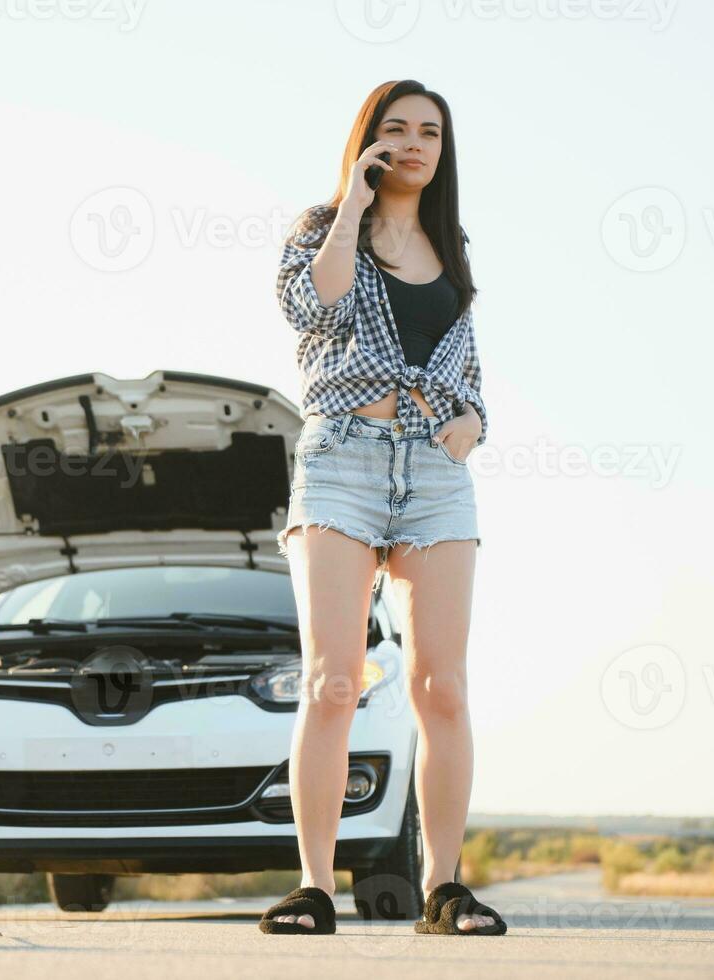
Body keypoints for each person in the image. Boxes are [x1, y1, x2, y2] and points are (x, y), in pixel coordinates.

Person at [258, 80, 506, 937]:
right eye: (394, 129)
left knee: (442, 686)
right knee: (333, 681)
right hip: (341, 465)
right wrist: (350, 206)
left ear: (444, 149)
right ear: (366, 141)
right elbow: (308, 303)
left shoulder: (452, 243)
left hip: (436, 473)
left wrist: (472, 424)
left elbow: (464, 363)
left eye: (428, 131)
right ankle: (316, 888)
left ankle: (443, 889)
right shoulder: (321, 230)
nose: (412, 143)